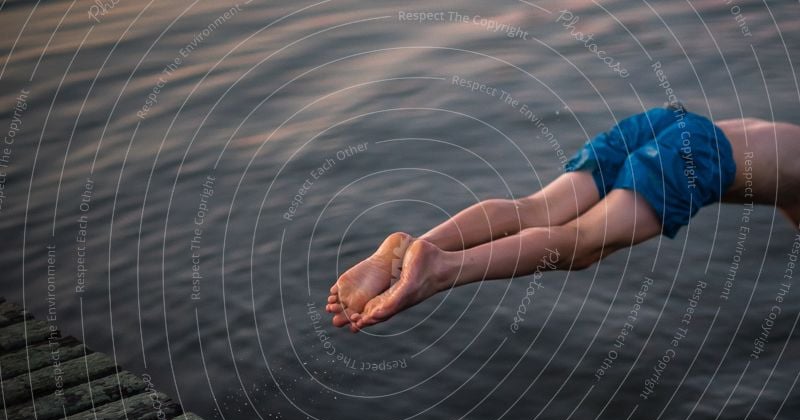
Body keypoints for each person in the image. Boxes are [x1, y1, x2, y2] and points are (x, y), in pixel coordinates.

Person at [326, 105, 800, 332]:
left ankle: (411, 247)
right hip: (697, 153)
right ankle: (441, 269)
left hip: (668, 125)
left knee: (533, 209)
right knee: (582, 243)